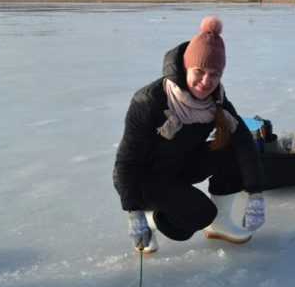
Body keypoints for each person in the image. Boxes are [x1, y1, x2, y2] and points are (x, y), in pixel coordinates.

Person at [113, 16, 266, 254]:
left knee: (233, 149)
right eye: (199, 71)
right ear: (186, 67)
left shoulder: (217, 100)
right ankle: (152, 219)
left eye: (214, 74)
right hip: (148, 180)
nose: (206, 81)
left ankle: (221, 223)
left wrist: (256, 193)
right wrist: (134, 212)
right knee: (200, 213)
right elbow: (126, 163)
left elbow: (244, 141)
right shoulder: (150, 101)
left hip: (181, 165)